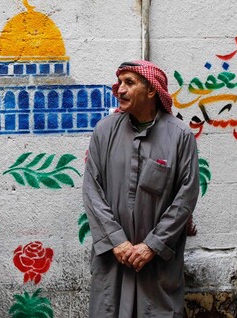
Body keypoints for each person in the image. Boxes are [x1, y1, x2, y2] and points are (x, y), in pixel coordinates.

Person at [82, 60, 200, 317]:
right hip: (113, 259)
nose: (119, 90)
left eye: (129, 83)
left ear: (151, 91)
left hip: (155, 265)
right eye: (120, 82)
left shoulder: (180, 136)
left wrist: (151, 246)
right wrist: (117, 241)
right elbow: (92, 190)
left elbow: (186, 197)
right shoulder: (104, 131)